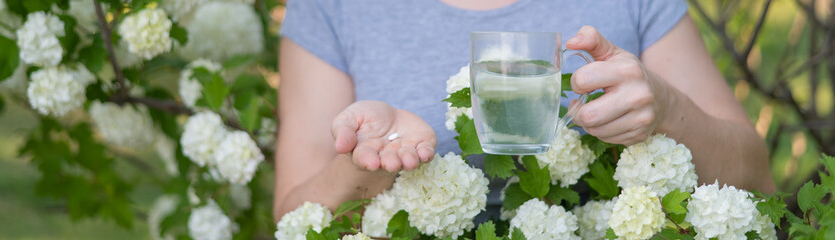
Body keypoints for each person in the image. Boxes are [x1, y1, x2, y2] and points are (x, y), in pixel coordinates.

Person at [273, 0, 777, 220]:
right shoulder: (335, 5)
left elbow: (758, 183)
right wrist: (370, 160)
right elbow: (293, 221)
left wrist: (667, 109)